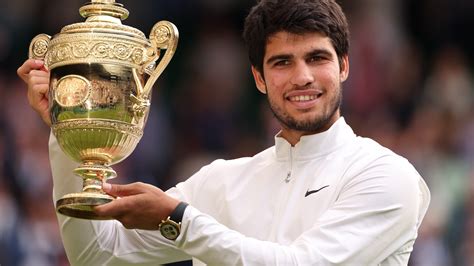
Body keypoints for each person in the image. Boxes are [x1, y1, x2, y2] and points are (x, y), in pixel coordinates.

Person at [17, 0, 430, 264]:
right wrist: (69, 128)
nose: (302, 77)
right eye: (282, 62)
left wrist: (178, 219)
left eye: (317, 58)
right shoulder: (222, 181)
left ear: (343, 66)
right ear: (258, 78)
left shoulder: (385, 175)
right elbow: (96, 254)